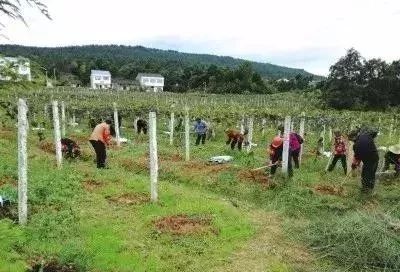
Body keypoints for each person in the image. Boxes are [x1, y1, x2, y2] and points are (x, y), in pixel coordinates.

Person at [352, 128, 379, 193]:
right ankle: (365, 188)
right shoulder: (365, 135)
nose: (352, 141)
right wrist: (354, 164)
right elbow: (358, 157)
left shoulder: (356, 145)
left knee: (369, 174)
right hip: (370, 159)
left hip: (372, 159)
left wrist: (354, 165)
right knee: (365, 174)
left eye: (352, 139)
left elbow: (357, 158)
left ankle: (369, 190)